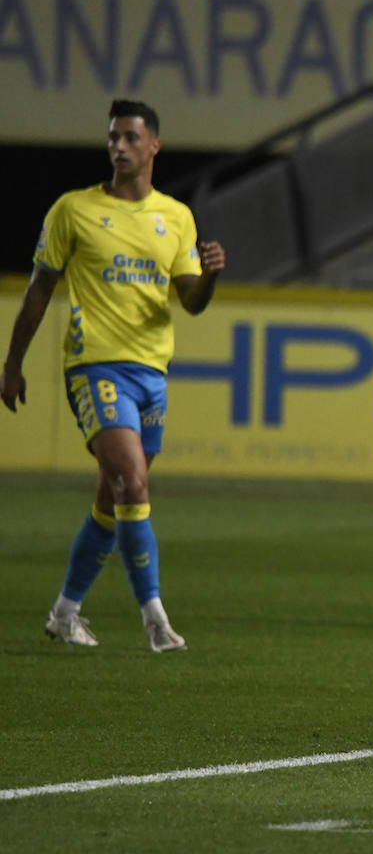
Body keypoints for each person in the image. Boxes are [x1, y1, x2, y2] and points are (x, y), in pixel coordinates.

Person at [2, 99, 226, 653]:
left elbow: (191, 301)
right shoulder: (73, 211)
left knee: (113, 498)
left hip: (151, 369)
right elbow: (39, 289)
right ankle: (154, 617)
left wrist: (212, 276)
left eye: (130, 137)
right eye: (112, 138)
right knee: (134, 483)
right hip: (94, 363)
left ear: (154, 146)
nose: (119, 147)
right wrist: (12, 363)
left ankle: (64, 612)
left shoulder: (175, 217)